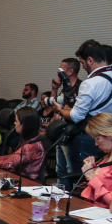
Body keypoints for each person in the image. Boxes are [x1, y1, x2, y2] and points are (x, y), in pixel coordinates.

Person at [55, 40, 112, 178]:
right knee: (105, 176)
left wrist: (59, 110)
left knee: (80, 177)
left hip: (88, 137)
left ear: (90, 60)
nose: (83, 67)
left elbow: (76, 116)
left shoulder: (90, 83)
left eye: (83, 63)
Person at [0, 107, 45, 182]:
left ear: (25, 125)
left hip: (28, 182)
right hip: (20, 178)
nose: (14, 123)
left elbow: (12, 163)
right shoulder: (32, 139)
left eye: (16, 121)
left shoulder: (30, 146)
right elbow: (14, 157)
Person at [50, 57, 82, 186]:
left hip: (73, 132)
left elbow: (76, 112)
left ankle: (71, 193)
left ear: (70, 72)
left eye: (61, 69)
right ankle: (60, 193)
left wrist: (62, 110)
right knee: (60, 168)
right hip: (62, 130)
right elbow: (53, 106)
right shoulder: (65, 87)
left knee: (70, 168)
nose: (58, 72)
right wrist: (54, 89)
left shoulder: (80, 87)